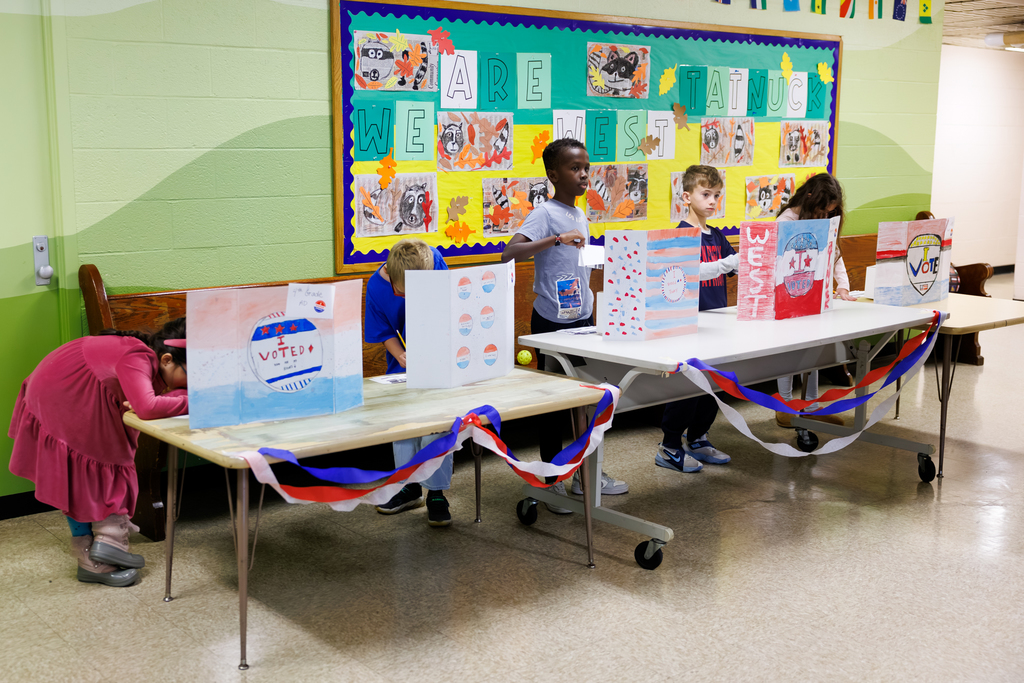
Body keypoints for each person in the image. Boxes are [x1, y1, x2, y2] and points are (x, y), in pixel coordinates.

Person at [8, 318, 189, 587]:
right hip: (66, 394)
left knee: (80, 471)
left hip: (57, 389)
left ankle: (90, 551)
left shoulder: (139, 355)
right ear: (166, 360)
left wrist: (153, 401)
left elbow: (144, 404)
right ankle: (107, 543)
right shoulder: (137, 355)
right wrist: (191, 399)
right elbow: (148, 407)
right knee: (107, 460)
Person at [501, 137, 628, 513]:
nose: (584, 174)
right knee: (554, 404)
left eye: (586, 167)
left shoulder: (579, 213)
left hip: (583, 318)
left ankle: (583, 474)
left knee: (585, 399)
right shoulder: (545, 213)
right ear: (553, 174)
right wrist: (555, 239)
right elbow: (510, 251)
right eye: (575, 168)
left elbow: (573, 263)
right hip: (550, 323)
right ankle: (551, 478)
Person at [365, 238, 455, 527]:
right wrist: (400, 354)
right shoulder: (377, 288)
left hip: (441, 355)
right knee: (404, 426)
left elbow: (451, 301)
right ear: (392, 278)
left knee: (437, 425)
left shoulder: (433, 261)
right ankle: (410, 486)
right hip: (404, 364)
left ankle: (437, 493)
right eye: (405, 292)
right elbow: (383, 330)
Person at [656, 165, 738, 475]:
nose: (713, 200)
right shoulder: (681, 235)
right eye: (706, 194)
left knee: (714, 386)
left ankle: (699, 437)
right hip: (688, 325)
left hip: (716, 324)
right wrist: (724, 264)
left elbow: (733, 267)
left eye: (717, 195)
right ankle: (670, 445)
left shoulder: (716, 235)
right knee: (687, 389)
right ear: (687, 196)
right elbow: (687, 273)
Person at [774, 173, 854, 428]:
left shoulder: (823, 219)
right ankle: (784, 406)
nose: (824, 216)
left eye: (829, 212)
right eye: (822, 211)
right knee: (787, 352)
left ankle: (811, 405)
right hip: (787, 298)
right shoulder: (786, 221)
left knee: (813, 352)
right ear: (810, 199)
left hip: (812, 298)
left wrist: (842, 286)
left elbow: (834, 254)